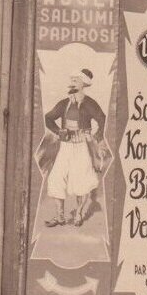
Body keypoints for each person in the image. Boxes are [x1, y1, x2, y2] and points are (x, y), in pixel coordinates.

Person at [40, 69, 107, 227]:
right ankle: (60, 216)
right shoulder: (64, 103)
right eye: (71, 80)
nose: (72, 83)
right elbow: (48, 118)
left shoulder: (89, 103)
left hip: (82, 147)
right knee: (56, 178)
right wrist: (58, 131)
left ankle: (78, 213)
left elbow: (102, 119)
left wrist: (96, 136)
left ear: (83, 84)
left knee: (82, 181)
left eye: (75, 80)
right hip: (65, 147)